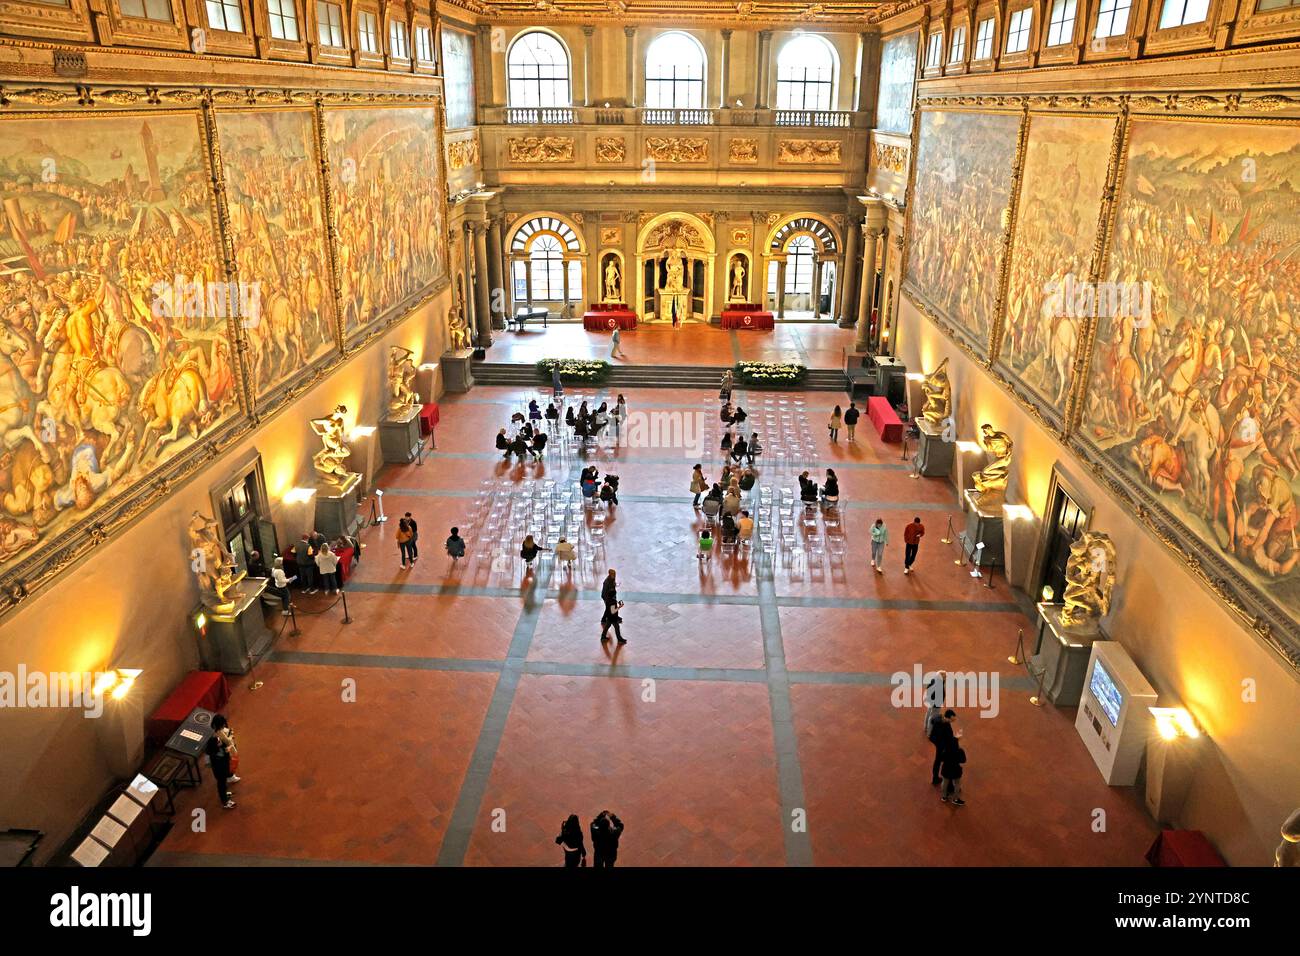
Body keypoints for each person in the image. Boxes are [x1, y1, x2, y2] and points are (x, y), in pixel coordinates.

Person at [205, 714, 236, 809]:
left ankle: (225, 794)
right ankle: (225, 802)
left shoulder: (217, 742)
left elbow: (222, 747)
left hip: (223, 763)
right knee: (221, 783)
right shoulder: (214, 752)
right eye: (218, 742)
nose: (219, 742)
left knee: (223, 782)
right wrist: (228, 747)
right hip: (220, 766)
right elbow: (214, 752)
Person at [928, 709, 957, 787]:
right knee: (940, 761)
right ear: (948, 717)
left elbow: (932, 721)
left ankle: (935, 777)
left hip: (938, 742)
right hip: (941, 745)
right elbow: (948, 738)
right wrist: (956, 739)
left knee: (938, 760)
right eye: (952, 719)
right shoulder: (945, 726)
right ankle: (941, 780)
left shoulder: (939, 718)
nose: (953, 721)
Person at [940, 738, 967, 807]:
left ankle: (944, 796)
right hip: (955, 769)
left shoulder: (945, 750)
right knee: (957, 783)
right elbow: (963, 760)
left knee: (945, 782)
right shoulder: (960, 751)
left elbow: (941, 759)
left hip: (946, 769)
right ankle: (955, 799)